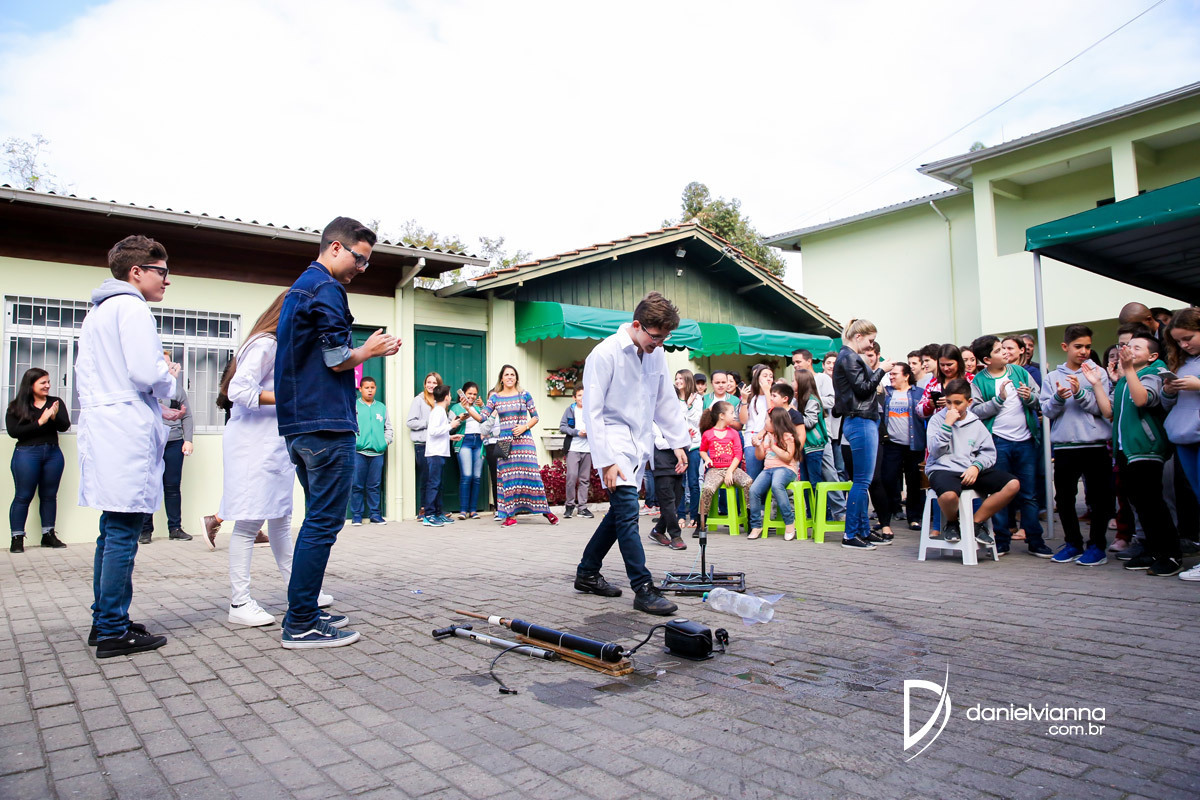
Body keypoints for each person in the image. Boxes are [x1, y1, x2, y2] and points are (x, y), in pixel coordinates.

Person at [275, 216, 401, 649]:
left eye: (366, 262)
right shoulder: (327, 288)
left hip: (300, 426)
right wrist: (368, 350)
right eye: (359, 259)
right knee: (324, 523)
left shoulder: (299, 289)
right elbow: (335, 357)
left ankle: (304, 608)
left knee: (317, 519)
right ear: (334, 248)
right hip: (325, 424)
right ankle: (301, 622)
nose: (361, 268)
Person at [78, 235, 179, 657]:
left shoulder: (98, 311)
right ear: (136, 272)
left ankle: (104, 619)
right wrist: (168, 375)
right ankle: (113, 630)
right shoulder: (132, 307)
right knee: (123, 531)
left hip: (105, 425)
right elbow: (144, 373)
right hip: (124, 429)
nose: (167, 281)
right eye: (162, 272)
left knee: (110, 528)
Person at [215, 292, 333, 627]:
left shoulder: (281, 346)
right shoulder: (265, 343)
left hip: (273, 444)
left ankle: (300, 593)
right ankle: (239, 602)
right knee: (248, 523)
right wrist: (289, 398)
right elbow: (238, 390)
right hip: (252, 444)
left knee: (281, 518)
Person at [573, 292, 688, 616]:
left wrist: (678, 442)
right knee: (627, 513)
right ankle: (643, 588)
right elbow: (592, 413)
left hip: (639, 444)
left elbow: (665, 400)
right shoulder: (604, 354)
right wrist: (606, 460)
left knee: (618, 514)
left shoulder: (655, 354)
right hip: (612, 443)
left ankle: (587, 573)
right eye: (656, 337)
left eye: (665, 338)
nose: (659, 343)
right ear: (637, 325)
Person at [1101, 333, 1181, 576]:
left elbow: (1142, 399)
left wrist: (1127, 370)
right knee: (1139, 503)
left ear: (1152, 355)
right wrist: (1098, 382)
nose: (1129, 349)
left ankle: (1171, 554)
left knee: (1153, 503)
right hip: (1126, 450)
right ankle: (1153, 550)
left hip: (1146, 448)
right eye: (1128, 346)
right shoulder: (1126, 378)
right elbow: (1109, 412)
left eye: (1137, 347)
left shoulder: (1154, 373)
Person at [969, 335, 1051, 558]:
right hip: (998, 443)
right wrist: (999, 399)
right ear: (987, 360)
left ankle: (1035, 540)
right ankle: (1002, 540)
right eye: (998, 350)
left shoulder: (1020, 372)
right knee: (1000, 493)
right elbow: (975, 411)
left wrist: (1030, 397)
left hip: (1025, 441)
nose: (1005, 352)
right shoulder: (979, 381)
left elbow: (1040, 398)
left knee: (1029, 494)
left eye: (1004, 348)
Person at [1041, 325, 1113, 567]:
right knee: (1064, 498)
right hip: (1064, 447)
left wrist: (1080, 393)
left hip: (1095, 445)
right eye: (1078, 346)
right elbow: (1047, 411)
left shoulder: (1098, 373)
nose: (1084, 351)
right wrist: (1058, 397)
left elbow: (1102, 409)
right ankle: (1072, 543)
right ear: (1065, 347)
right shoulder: (1052, 377)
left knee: (1099, 498)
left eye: (1088, 347)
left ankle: (1097, 546)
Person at [925, 379, 1019, 546]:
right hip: (943, 468)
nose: (952, 408)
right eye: (948, 402)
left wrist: (976, 466)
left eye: (958, 403)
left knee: (1012, 484)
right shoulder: (937, 420)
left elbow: (989, 453)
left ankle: (975, 523)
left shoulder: (976, 423)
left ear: (969, 402)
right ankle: (952, 522)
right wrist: (947, 425)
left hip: (969, 469)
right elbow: (935, 451)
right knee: (948, 496)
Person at [465, 365, 558, 527]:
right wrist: (467, 407)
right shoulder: (495, 398)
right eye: (506, 374)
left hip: (524, 440)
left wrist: (524, 427)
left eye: (512, 374)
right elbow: (481, 418)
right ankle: (510, 515)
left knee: (532, 474)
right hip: (503, 441)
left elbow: (535, 417)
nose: (509, 377)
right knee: (506, 477)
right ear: (501, 378)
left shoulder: (524, 395)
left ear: (516, 378)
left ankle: (545, 511)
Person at [833, 319, 893, 550]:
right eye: (870, 340)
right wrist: (881, 370)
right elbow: (864, 388)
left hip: (860, 420)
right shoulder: (849, 357)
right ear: (858, 337)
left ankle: (863, 531)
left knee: (862, 481)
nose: (871, 345)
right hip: (860, 420)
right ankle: (851, 534)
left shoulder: (848, 356)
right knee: (861, 481)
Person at [6, 368, 70, 552]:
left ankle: (48, 535)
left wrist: (54, 416)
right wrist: (41, 421)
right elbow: (14, 432)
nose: (47, 385)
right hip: (27, 454)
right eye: (43, 382)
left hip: (53, 454)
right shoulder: (16, 406)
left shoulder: (55, 402)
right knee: (23, 496)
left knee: (49, 495)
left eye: (48, 382)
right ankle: (17, 538)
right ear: (31, 384)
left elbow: (64, 426)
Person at [140, 351, 194, 544]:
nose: (169, 367)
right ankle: (145, 530)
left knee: (172, 486)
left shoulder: (177, 388)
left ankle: (175, 528)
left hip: (174, 442)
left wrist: (188, 439)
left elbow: (187, 415)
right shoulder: (145, 388)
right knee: (149, 485)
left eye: (170, 363)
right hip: (152, 442)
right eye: (164, 364)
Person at [1163, 308, 1200, 581]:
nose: (1184, 345)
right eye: (1178, 341)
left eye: (1188, 338)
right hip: (1184, 437)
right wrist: (1168, 390)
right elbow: (1169, 405)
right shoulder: (1180, 361)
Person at [876, 362, 926, 537]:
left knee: (914, 482)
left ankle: (914, 517)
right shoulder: (886, 393)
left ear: (906, 376)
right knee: (888, 479)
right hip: (891, 444)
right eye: (890, 374)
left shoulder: (919, 393)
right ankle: (887, 515)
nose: (891, 377)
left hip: (914, 444)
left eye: (895, 374)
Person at [697, 400, 754, 535]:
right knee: (707, 489)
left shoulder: (734, 433)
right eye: (732, 413)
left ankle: (752, 520)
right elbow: (702, 450)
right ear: (722, 416)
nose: (734, 416)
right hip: (715, 469)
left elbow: (738, 454)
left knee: (748, 483)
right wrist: (707, 459)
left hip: (732, 468)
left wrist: (729, 472)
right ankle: (701, 523)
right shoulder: (708, 434)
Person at [748, 407, 800, 541]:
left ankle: (789, 521)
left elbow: (788, 457)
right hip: (768, 469)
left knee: (777, 485)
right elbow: (760, 456)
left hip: (786, 469)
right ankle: (756, 525)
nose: (765, 422)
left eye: (767, 419)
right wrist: (758, 446)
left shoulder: (787, 436)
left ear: (776, 422)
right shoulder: (767, 436)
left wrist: (773, 446)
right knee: (754, 490)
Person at [351, 376, 392, 526]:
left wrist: (385, 442)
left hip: (377, 453)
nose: (370, 390)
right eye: (366, 388)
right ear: (361, 389)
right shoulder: (354, 406)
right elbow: (349, 426)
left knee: (374, 485)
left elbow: (388, 427)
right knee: (357, 485)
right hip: (359, 453)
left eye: (372, 387)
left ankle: (375, 514)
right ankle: (357, 516)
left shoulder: (381, 407)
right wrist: (355, 442)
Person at [422, 385, 460, 527]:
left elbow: (437, 433)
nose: (451, 397)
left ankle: (438, 513)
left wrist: (450, 437)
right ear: (446, 397)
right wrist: (451, 425)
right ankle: (429, 515)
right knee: (434, 484)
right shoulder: (438, 412)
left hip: (440, 452)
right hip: (435, 454)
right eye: (449, 395)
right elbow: (432, 432)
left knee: (439, 484)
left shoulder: (440, 411)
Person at [647, 422, 688, 550]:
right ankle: (675, 536)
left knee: (675, 502)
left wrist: (686, 440)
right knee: (668, 502)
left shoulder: (677, 421)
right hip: (661, 466)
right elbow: (659, 443)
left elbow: (687, 441)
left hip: (677, 465)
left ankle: (658, 531)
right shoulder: (653, 422)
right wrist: (678, 444)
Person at [406, 372, 441, 517]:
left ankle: (436, 510)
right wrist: (428, 423)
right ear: (425, 384)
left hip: (437, 444)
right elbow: (410, 422)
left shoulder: (440, 401)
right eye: (429, 382)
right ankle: (424, 510)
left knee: (436, 479)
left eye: (434, 383)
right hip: (423, 444)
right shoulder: (419, 400)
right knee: (427, 478)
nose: (431, 385)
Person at [450, 382, 485, 520]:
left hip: (479, 442)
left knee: (477, 477)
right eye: (469, 393)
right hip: (464, 441)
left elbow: (487, 421)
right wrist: (460, 418)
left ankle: (473, 510)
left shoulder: (479, 407)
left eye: (474, 394)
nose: (472, 396)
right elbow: (449, 428)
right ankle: (463, 510)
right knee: (467, 475)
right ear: (463, 394)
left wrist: (483, 406)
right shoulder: (455, 408)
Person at [559, 386, 594, 519]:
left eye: (585, 396)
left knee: (585, 479)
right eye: (579, 396)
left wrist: (589, 432)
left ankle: (582, 508)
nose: (582, 399)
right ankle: (569, 505)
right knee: (571, 477)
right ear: (574, 397)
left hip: (587, 449)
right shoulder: (570, 410)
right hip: (573, 448)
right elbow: (562, 427)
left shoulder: (591, 410)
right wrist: (576, 432)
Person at [675, 369, 703, 527]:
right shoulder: (673, 398)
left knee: (693, 482)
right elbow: (675, 419)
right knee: (679, 482)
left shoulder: (697, 398)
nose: (678, 381)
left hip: (694, 445)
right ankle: (680, 515)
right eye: (676, 378)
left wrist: (689, 406)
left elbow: (697, 420)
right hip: (678, 445)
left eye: (681, 378)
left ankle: (694, 516)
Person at [738, 363, 775, 479]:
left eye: (771, 376)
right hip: (752, 438)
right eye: (765, 376)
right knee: (753, 476)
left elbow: (773, 415)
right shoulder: (750, 395)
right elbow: (743, 420)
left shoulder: (774, 395)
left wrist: (767, 392)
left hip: (771, 438)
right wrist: (744, 400)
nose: (768, 378)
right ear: (757, 377)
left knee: (770, 476)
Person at [918, 344, 973, 419]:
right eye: (942, 365)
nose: (945, 368)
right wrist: (930, 405)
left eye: (949, 364)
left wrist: (952, 402)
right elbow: (919, 411)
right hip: (940, 424)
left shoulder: (971, 380)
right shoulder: (933, 383)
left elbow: (977, 406)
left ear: (958, 362)